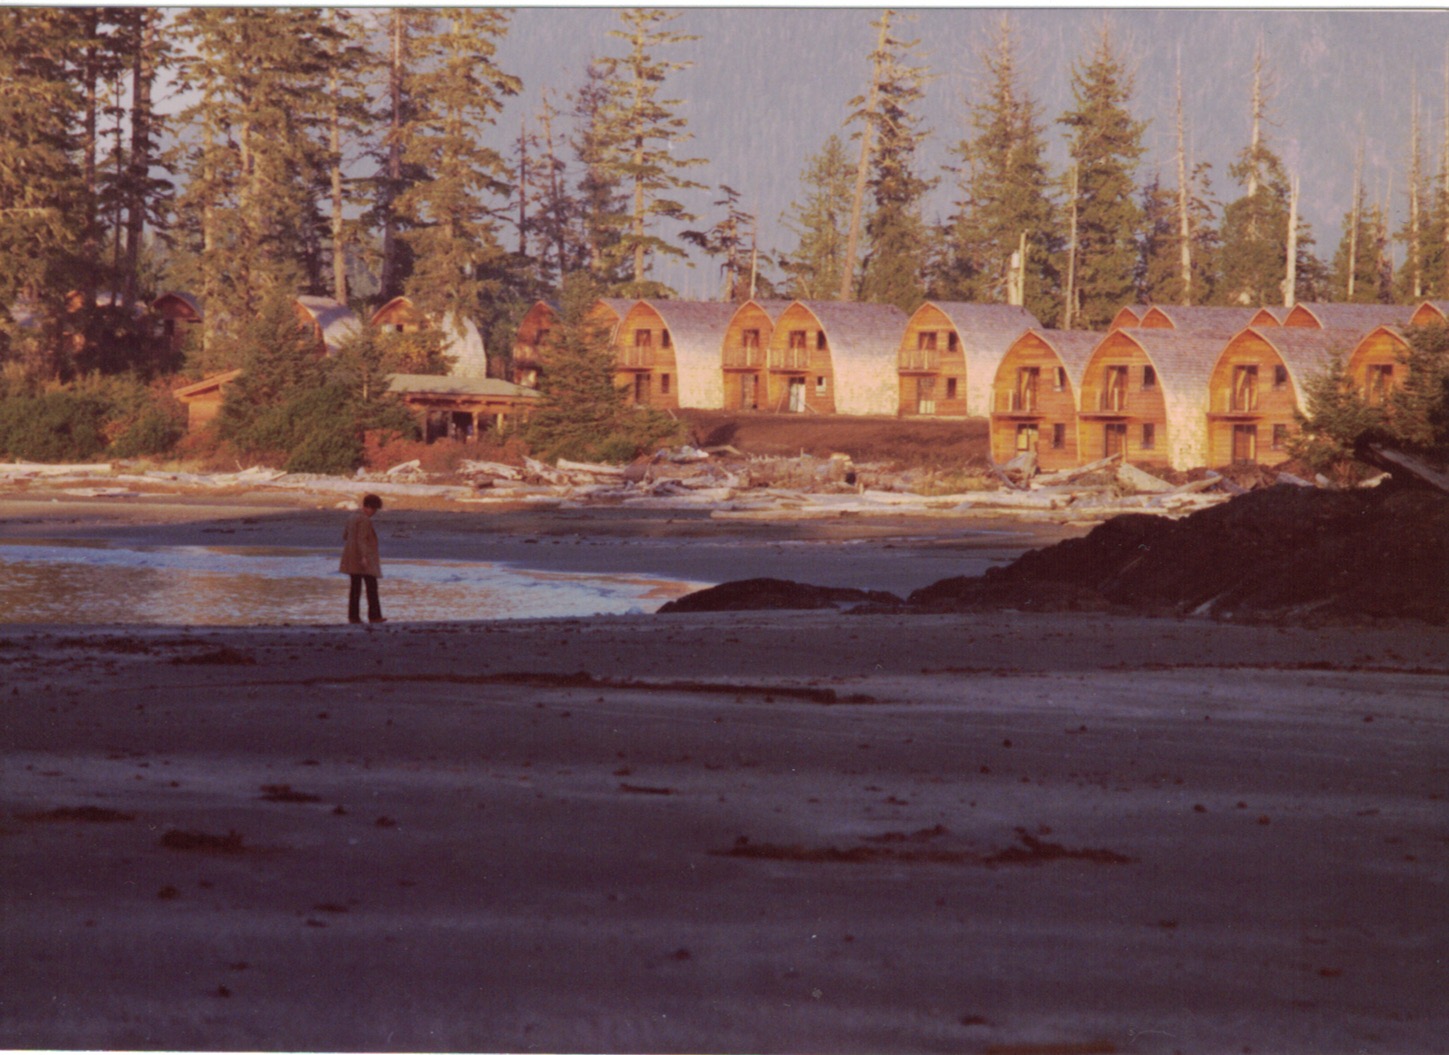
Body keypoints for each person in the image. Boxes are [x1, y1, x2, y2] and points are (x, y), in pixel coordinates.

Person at [340, 493, 386, 624]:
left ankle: (353, 617)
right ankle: (375, 616)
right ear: (370, 507)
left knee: (355, 588)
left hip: (351, 557)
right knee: (372, 587)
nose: (375, 512)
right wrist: (364, 556)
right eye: (375, 509)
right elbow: (361, 540)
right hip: (362, 558)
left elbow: (345, 535)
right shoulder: (364, 520)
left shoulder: (352, 517)